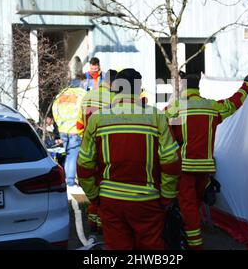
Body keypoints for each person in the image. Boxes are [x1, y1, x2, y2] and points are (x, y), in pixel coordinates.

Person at [77, 69, 180, 250]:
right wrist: (167, 196)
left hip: (110, 201)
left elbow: (84, 164)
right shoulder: (156, 116)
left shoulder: (97, 118)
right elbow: (171, 161)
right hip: (147, 200)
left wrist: (94, 197)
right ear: (139, 90)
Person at [166, 72, 248, 250]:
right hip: (205, 168)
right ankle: (192, 232)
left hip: (185, 168)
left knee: (188, 205)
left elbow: (165, 137)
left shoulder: (175, 108)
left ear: (183, 86)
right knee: (195, 203)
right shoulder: (211, 106)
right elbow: (233, 103)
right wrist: (246, 85)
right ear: (198, 86)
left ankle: (195, 244)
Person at [76, 69, 117, 233]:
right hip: (105, 148)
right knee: (105, 185)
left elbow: (79, 124)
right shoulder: (114, 99)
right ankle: (101, 223)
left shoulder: (87, 96)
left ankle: (93, 220)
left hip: (88, 147)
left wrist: (86, 138)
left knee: (92, 185)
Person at [52, 74, 87, 187]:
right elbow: (85, 111)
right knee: (72, 156)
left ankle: (68, 179)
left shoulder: (61, 94)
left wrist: (59, 124)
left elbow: (54, 110)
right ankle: (70, 182)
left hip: (63, 129)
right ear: (81, 83)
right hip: (75, 130)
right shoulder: (82, 94)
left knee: (67, 154)